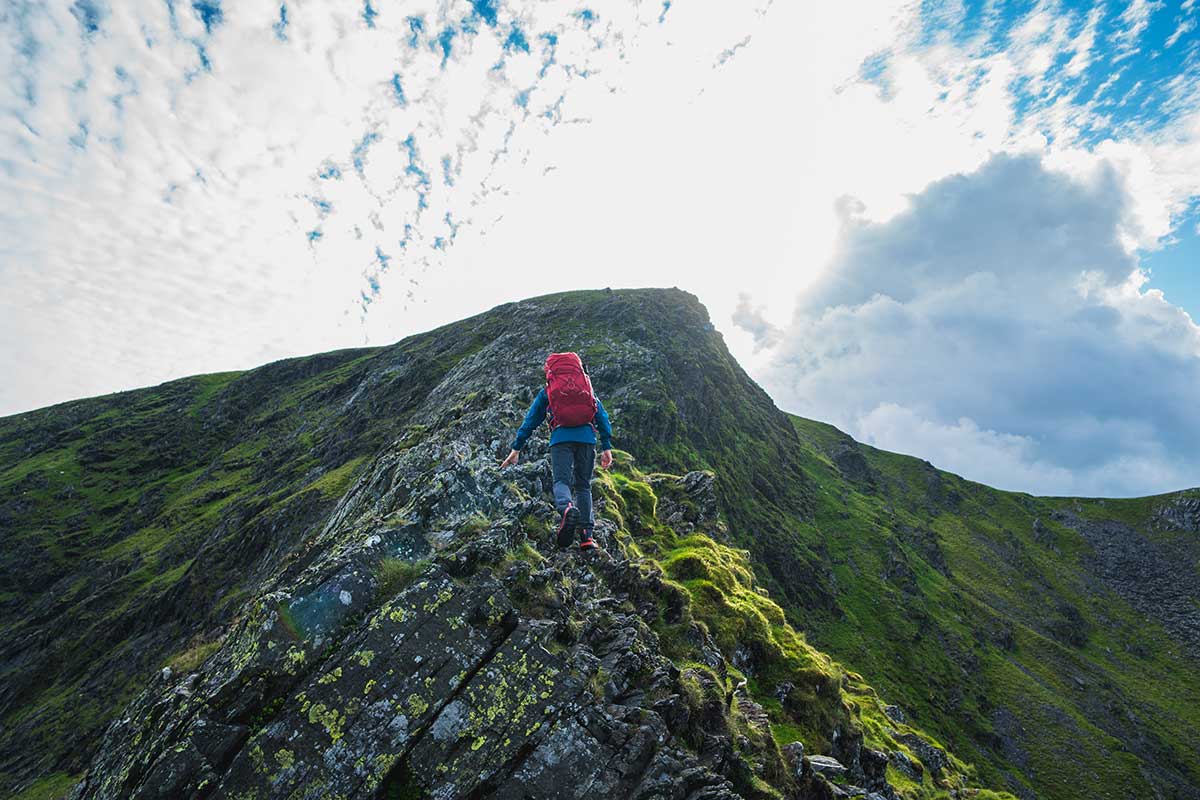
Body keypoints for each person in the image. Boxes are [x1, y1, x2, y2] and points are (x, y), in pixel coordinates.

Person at [500, 352, 613, 550]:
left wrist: (516, 448)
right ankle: (587, 536)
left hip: (560, 439)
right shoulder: (586, 387)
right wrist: (606, 447)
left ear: (551, 372)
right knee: (584, 486)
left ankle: (566, 507)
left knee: (562, 481)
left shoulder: (549, 391)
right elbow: (601, 416)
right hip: (587, 439)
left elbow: (531, 420)